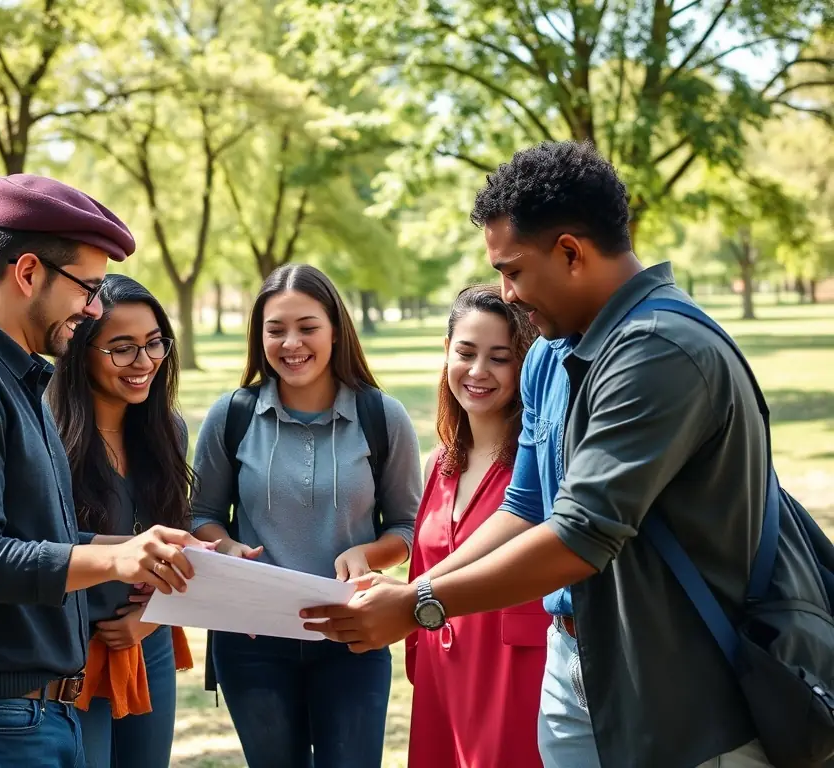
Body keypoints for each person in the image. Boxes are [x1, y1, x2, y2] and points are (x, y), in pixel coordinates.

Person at [301, 141, 775, 768]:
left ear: (571, 253)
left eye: (514, 270)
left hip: (679, 681)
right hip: (574, 662)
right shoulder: (551, 355)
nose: (508, 293)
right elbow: (525, 507)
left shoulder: (660, 351)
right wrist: (418, 586)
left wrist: (418, 606)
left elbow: (581, 534)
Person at [0, 174, 209, 768]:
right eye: (86, 287)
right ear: (28, 272)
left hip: (32, 716)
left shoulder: (16, 380)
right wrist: (113, 559)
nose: (94, 307)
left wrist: (136, 547)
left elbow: (38, 545)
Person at [190, 263, 422, 768]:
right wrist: (227, 547)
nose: (291, 343)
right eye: (276, 330)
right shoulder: (231, 416)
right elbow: (202, 514)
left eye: (307, 327)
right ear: (260, 337)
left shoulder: (382, 418)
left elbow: (407, 528)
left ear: (335, 330)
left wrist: (368, 552)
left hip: (352, 635)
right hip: (251, 641)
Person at [48, 274, 195, 768]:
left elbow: (180, 541)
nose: (145, 362)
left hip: (147, 638)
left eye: (155, 343)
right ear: (80, 350)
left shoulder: (169, 430)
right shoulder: (45, 436)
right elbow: (37, 546)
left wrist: (149, 620)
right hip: (70, 652)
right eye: (122, 348)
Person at [406, 284, 548, 768]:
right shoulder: (439, 463)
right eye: (465, 352)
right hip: (440, 676)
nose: (478, 372)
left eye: (500, 358)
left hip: (514, 676)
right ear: (446, 353)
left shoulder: (539, 470)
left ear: (525, 364)